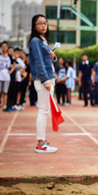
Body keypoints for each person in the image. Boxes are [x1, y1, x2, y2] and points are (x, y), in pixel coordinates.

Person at [28, 14, 58, 153]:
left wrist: (53, 56)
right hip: (42, 80)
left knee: (45, 110)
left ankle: (42, 142)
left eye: (45, 23)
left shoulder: (43, 40)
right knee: (43, 110)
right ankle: (40, 143)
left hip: (48, 78)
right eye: (40, 23)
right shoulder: (35, 41)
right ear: (34, 26)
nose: (43, 25)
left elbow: (46, 60)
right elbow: (38, 62)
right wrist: (45, 80)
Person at [0, 42, 16, 113]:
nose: (4, 48)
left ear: (7, 48)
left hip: (6, 76)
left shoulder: (9, 57)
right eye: (3, 46)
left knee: (5, 92)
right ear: (1, 48)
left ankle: (4, 106)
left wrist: (11, 71)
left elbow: (14, 64)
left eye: (5, 46)